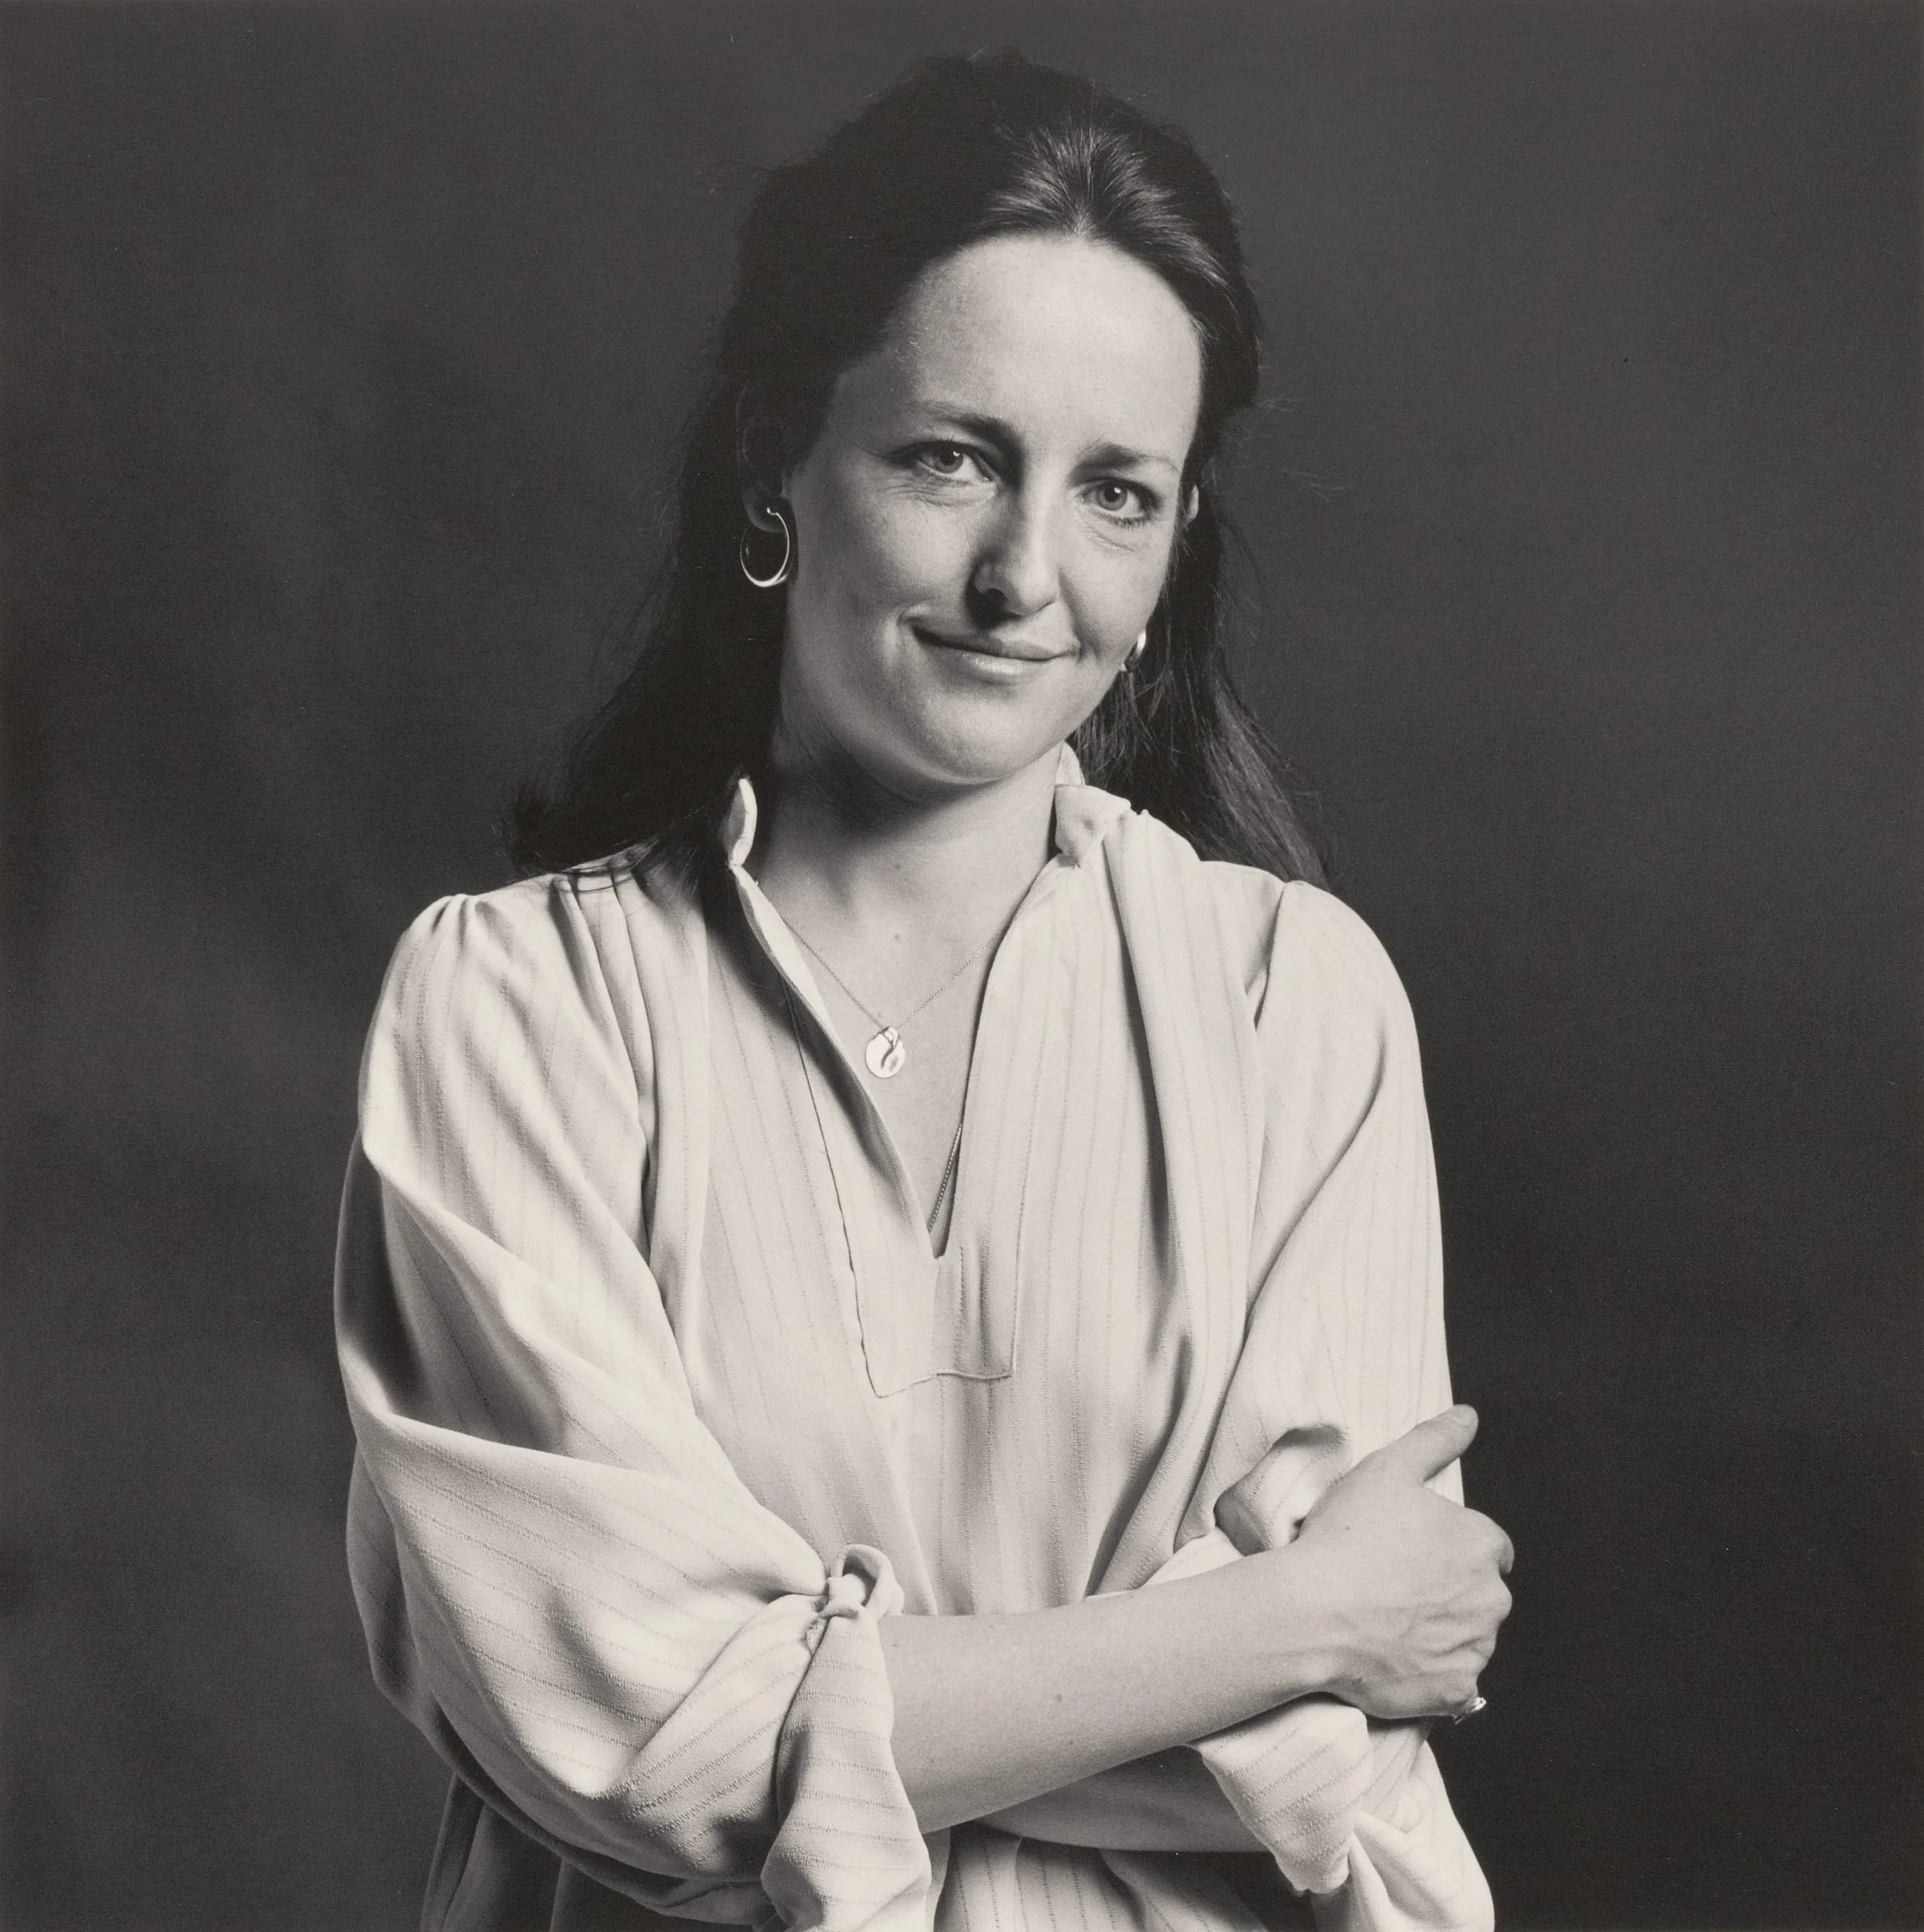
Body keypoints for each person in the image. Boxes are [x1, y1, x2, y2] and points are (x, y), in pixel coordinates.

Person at [335, 50, 1514, 1932]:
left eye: (1116, 491)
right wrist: (1290, 1618)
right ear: (773, 458)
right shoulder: (517, 1009)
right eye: (951, 456)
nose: (1021, 574)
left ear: (1175, 543)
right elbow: (643, 1740)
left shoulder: (1296, 1005)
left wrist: (795, 1699)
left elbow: (1340, 1758)